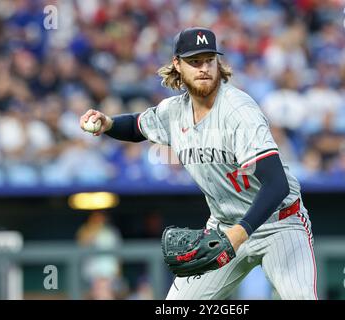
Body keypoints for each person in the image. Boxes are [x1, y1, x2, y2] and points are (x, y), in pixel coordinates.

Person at [80, 27, 317, 300]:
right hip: (224, 226)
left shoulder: (238, 111)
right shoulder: (174, 111)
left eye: (209, 60)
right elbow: (136, 126)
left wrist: (238, 235)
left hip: (280, 224)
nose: (204, 68)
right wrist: (108, 124)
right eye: (194, 61)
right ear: (177, 65)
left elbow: (277, 184)